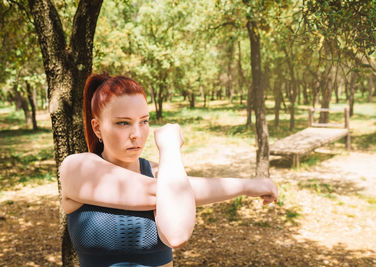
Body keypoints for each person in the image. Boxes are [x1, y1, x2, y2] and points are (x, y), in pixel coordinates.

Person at [59, 73, 278, 267]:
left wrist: (249, 185)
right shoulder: (76, 168)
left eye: (144, 121)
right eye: (123, 123)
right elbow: (175, 197)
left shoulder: (163, 177)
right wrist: (171, 147)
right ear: (97, 127)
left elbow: (177, 229)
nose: (137, 134)